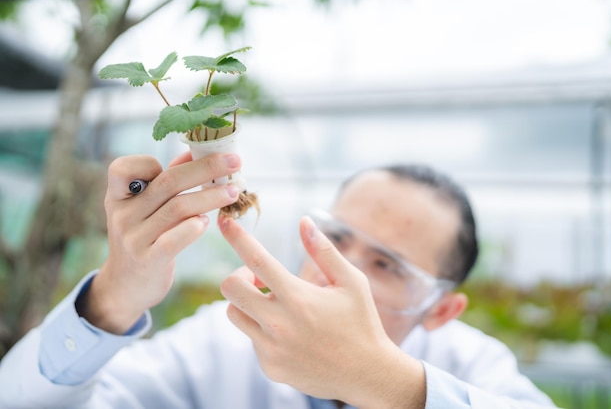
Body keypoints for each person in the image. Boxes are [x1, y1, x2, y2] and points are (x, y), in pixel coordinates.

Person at [0, 151, 558, 409]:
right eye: (334, 238)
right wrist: (113, 299)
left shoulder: (476, 368)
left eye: (386, 265)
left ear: (441, 311)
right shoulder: (221, 341)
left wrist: (387, 385)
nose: (332, 269)